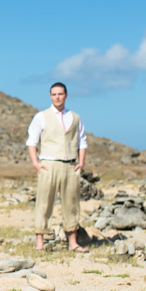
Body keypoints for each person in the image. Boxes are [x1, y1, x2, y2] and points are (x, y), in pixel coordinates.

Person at [26, 82, 88, 252]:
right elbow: (32, 141)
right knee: (44, 203)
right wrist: (36, 163)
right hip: (49, 164)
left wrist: (81, 162)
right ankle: (40, 242)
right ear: (50, 96)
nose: (57, 97)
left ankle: (73, 242)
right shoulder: (41, 116)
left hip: (70, 166)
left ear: (66, 95)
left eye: (60, 94)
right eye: (54, 94)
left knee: (72, 203)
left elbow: (82, 141)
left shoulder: (75, 117)